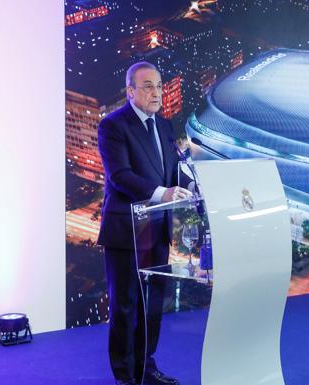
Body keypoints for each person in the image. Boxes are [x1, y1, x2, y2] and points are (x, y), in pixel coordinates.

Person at [97, 61, 192, 385]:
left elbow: (172, 170)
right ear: (131, 91)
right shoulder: (113, 125)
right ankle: (126, 377)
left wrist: (192, 185)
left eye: (160, 85)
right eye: (148, 86)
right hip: (127, 232)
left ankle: (146, 368)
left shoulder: (164, 126)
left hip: (157, 230)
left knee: (152, 306)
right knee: (125, 306)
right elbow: (120, 175)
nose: (157, 92)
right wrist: (162, 193)